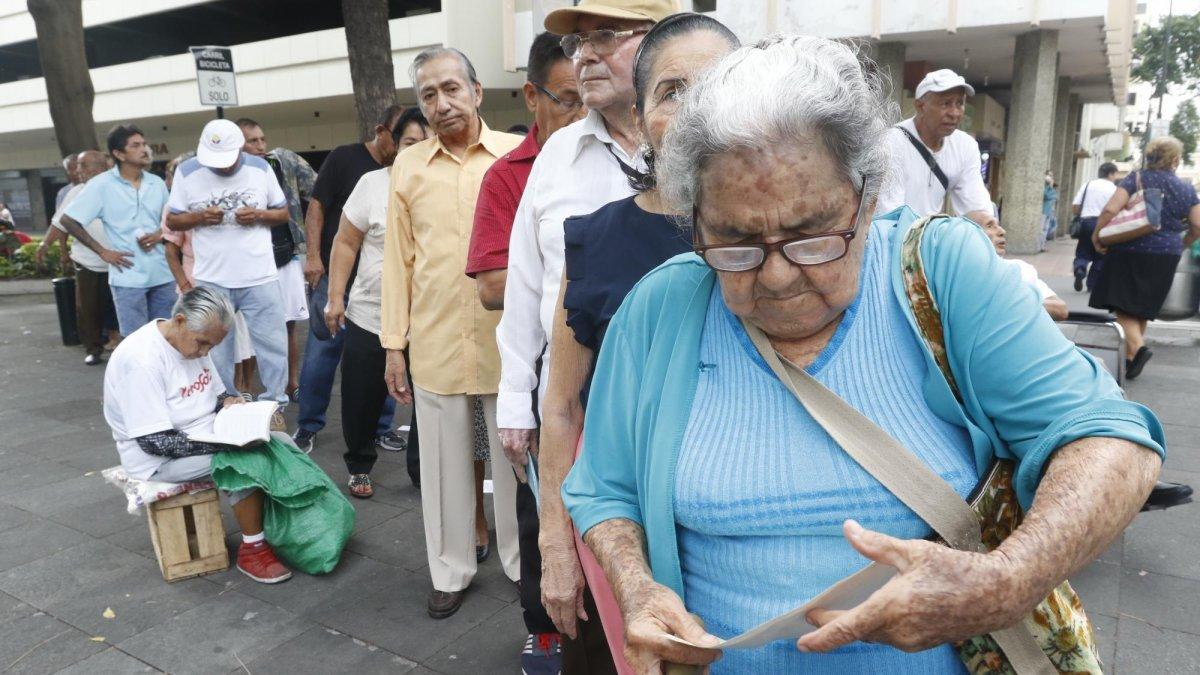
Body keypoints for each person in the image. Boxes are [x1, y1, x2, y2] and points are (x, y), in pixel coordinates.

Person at [563, 36, 1165, 673]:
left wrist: (1007, 580)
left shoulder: (942, 272)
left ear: (868, 197)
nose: (776, 276)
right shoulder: (658, 309)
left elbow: (1110, 438)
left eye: (811, 234)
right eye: (735, 242)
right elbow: (606, 489)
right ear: (694, 219)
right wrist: (637, 587)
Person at [537, 13, 738, 673]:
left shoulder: (784, 233)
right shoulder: (595, 238)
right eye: (672, 91)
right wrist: (556, 542)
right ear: (640, 119)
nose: (695, 108)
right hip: (619, 526)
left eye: (715, 85)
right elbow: (562, 405)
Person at [380, 47, 522, 620]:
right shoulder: (408, 167)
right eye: (428, 95)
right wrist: (394, 344)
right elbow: (398, 262)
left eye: (451, 89)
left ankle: (524, 564)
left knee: (517, 465)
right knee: (443, 469)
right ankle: (450, 569)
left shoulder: (516, 156)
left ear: (477, 91)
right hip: (437, 342)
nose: (441, 104)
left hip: (508, 343)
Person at [464, 29, 585, 671]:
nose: (582, 111)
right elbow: (491, 286)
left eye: (589, 95)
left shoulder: (622, 157)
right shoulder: (511, 176)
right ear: (532, 97)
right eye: (568, 99)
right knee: (543, 505)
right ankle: (544, 628)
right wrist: (556, 274)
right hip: (542, 356)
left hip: (615, 358)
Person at [104, 286, 292, 583]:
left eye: (211, 347)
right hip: (157, 462)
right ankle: (253, 550)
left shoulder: (193, 340)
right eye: (202, 344)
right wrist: (228, 445)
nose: (204, 353)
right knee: (242, 461)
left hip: (202, 434)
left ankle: (290, 529)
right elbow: (156, 442)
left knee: (281, 442)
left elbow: (215, 396)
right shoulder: (141, 360)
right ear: (179, 320)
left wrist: (230, 403)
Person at [323, 108, 430, 498]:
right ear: (395, 145)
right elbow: (345, 242)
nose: (417, 150)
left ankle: (422, 470)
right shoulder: (372, 184)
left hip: (428, 317)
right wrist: (335, 297)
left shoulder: (442, 185)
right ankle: (359, 465)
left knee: (430, 400)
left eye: (426, 143)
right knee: (362, 396)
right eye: (410, 142)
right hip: (371, 313)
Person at [294, 105, 406, 458]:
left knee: (384, 359)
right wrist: (314, 257)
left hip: (381, 290)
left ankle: (381, 429)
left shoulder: (410, 173)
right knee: (323, 354)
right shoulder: (345, 158)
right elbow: (316, 207)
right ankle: (308, 424)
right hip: (337, 276)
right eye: (400, 138)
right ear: (382, 132)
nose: (405, 146)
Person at [164, 119, 290, 428]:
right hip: (213, 278)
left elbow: (282, 213)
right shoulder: (187, 171)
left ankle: (274, 405)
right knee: (214, 349)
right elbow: (174, 220)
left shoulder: (260, 168)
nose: (221, 167)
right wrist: (198, 217)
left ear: (240, 148)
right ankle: (224, 403)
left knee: (273, 346)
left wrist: (259, 215)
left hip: (260, 275)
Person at [1090, 136, 1200, 380]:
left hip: (1130, 249)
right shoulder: (1186, 188)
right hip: (1167, 253)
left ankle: (1138, 348)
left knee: (1121, 302)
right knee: (1143, 306)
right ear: (1175, 159)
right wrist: (1181, 244)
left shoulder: (1136, 178)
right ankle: (1130, 359)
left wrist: (1097, 235)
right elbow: (1197, 225)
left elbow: (1110, 209)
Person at [59, 124, 177, 337]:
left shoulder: (157, 183)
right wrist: (103, 252)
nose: (144, 149)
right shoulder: (101, 185)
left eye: (144, 144)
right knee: (135, 341)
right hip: (128, 277)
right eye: (135, 145)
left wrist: (159, 234)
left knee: (167, 338)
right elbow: (68, 220)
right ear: (119, 154)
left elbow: (170, 222)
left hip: (163, 274)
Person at [237, 118, 317, 400]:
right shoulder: (230, 175)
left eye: (262, 139)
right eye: (253, 141)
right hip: (249, 263)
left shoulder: (281, 162)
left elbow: (318, 190)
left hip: (285, 254)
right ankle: (246, 390)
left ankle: (290, 384)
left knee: (288, 325)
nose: (261, 146)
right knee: (247, 332)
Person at [875, 68, 996, 231]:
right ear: (920, 106)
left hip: (930, 236)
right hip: (894, 237)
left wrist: (988, 227)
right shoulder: (892, 142)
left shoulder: (965, 146)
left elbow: (975, 202)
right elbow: (889, 215)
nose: (954, 113)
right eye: (945, 103)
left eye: (960, 103)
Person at [43, 151, 118, 364]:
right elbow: (59, 223)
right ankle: (93, 348)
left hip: (119, 261)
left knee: (117, 307)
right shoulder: (76, 192)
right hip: (87, 262)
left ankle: (120, 344)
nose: (77, 171)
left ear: (100, 167)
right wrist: (45, 245)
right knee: (88, 308)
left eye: (82, 165)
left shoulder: (118, 188)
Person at [977, 214, 1069, 320]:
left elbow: (1060, 310)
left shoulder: (1020, 268)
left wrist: (1013, 304)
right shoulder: (964, 276)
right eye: (989, 226)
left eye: (998, 225)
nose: (1002, 231)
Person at [1071, 162, 1120, 292]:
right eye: (1115, 174)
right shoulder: (1114, 189)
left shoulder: (1087, 185)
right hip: (1104, 224)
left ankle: (1080, 268)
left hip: (1086, 222)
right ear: (1111, 174)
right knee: (1101, 254)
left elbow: (1075, 207)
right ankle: (1092, 284)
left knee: (1083, 250)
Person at [1042, 173, 1059, 248]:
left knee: (1046, 229)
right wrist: (1049, 186)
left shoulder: (1052, 189)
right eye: (1049, 175)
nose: (1051, 178)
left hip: (1049, 211)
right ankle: (1040, 245)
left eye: (1052, 176)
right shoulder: (1046, 188)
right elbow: (1046, 196)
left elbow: (1055, 197)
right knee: (1042, 229)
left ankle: (1042, 245)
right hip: (1044, 211)